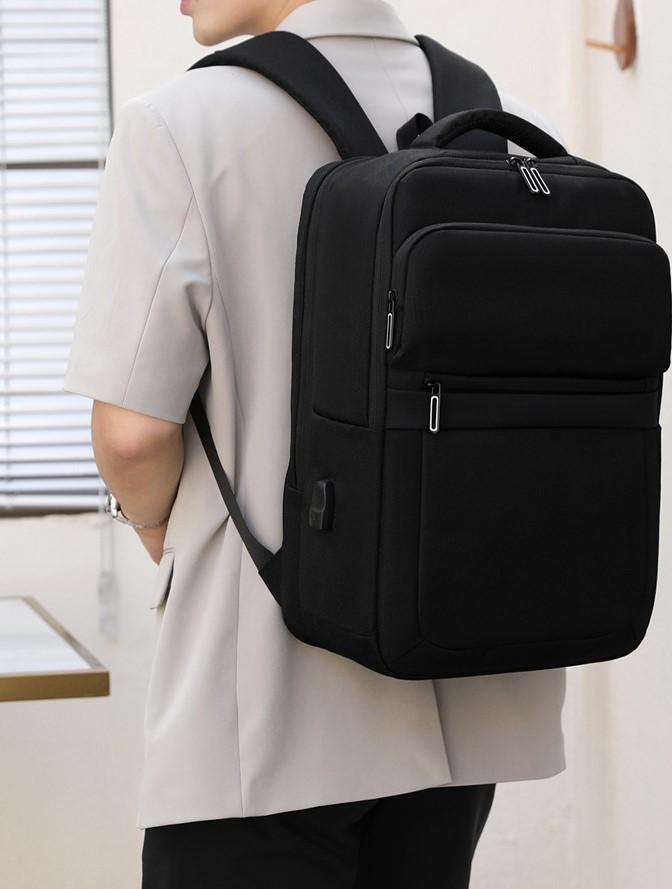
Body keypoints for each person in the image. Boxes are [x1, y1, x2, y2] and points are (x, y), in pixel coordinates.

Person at [63, 1, 568, 886]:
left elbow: (133, 435)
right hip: (464, 691)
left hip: (263, 713)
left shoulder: (179, 125)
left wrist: (163, 533)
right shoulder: (507, 125)